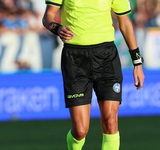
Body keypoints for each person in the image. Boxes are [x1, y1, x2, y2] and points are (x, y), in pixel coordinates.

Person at [42, 0, 145, 150]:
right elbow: (48, 16)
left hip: (106, 57)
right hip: (75, 59)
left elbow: (125, 23)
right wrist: (56, 28)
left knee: (110, 122)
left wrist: (137, 63)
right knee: (80, 130)